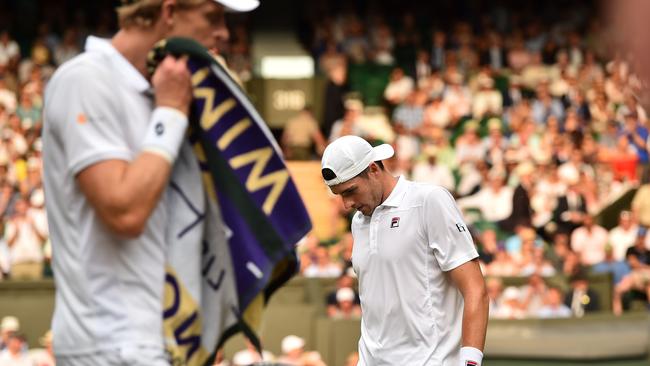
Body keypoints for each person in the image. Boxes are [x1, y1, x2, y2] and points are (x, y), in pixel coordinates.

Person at [41, 0, 259, 365]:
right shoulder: (85, 79)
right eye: (213, 17)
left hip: (170, 343)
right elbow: (124, 211)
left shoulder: (172, 91)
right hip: (109, 348)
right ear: (169, 12)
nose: (223, 33)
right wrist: (171, 113)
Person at [320, 135, 489, 365]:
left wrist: (470, 362)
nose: (346, 204)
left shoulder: (429, 200)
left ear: (373, 169)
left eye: (350, 191)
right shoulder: (358, 222)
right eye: (340, 195)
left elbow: (475, 289)